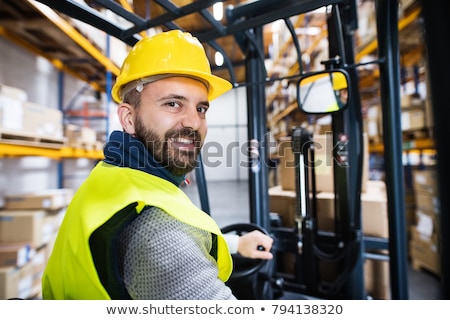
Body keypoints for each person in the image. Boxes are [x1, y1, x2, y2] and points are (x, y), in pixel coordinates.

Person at [41, 30, 273, 300]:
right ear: (128, 118)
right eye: (173, 104)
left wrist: (235, 243)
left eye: (201, 109)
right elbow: (168, 246)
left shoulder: (115, 175)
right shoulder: (156, 231)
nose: (194, 122)